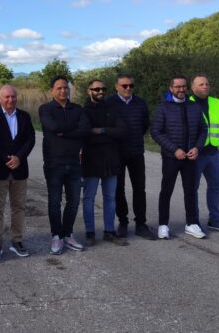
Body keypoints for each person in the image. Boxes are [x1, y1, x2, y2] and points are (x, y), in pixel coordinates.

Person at [39, 76, 91, 255]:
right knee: (55, 202)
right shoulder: (45, 109)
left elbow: (85, 129)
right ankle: (56, 236)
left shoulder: (78, 109)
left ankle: (67, 234)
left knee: (74, 201)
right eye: (59, 88)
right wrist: (74, 128)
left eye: (65, 88)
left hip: (75, 163)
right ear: (52, 90)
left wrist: (65, 131)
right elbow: (53, 127)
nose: (63, 91)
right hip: (54, 163)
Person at [151, 76, 207, 240]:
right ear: (171, 88)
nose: (181, 89)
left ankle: (191, 223)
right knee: (166, 191)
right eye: (177, 87)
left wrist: (197, 148)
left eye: (183, 86)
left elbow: (203, 130)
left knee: (190, 191)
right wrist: (174, 149)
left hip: (190, 157)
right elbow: (156, 132)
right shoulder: (163, 107)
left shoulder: (194, 106)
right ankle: (163, 225)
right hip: (171, 157)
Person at [0, 84, 35, 261]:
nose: (10, 100)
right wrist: (7, 159)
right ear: (0, 98)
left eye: (13, 96)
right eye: (7, 97)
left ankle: (17, 240)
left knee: (18, 207)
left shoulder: (25, 116)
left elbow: (30, 139)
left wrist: (19, 157)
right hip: (0, 170)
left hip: (20, 169)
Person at [106, 73, 156, 240]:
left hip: (136, 151)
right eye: (124, 85)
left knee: (139, 188)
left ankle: (141, 224)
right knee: (118, 188)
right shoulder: (109, 103)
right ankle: (123, 221)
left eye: (131, 85)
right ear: (116, 87)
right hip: (116, 152)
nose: (128, 88)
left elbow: (144, 125)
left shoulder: (140, 103)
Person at [81, 80, 128, 247]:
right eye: (96, 89)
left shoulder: (112, 109)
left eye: (103, 88)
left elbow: (122, 131)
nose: (100, 91)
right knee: (89, 198)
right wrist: (109, 133)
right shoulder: (83, 111)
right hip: (91, 159)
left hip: (111, 158)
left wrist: (101, 130)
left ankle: (109, 231)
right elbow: (85, 132)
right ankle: (90, 232)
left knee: (110, 197)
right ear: (89, 91)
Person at [190, 74, 219, 233]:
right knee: (192, 188)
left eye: (207, 84)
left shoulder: (216, 102)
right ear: (193, 87)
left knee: (215, 186)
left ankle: (214, 220)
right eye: (201, 84)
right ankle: (193, 221)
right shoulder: (187, 103)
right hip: (196, 154)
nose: (205, 86)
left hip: (213, 152)